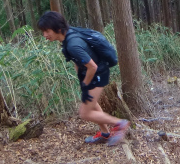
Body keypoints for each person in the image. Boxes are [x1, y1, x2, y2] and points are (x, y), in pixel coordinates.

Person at [37, 11, 129, 145]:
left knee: (85, 113)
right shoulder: (69, 34)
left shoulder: (72, 45)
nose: (45, 35)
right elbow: (78, 61)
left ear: (57, 28)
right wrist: (82, 80)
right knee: (92, 104)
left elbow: (92, 67)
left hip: (98, 73)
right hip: (91, 73)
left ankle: (120, 123)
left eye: (47, 31)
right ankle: (105, 133)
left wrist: (86, 84)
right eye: (43, 31)